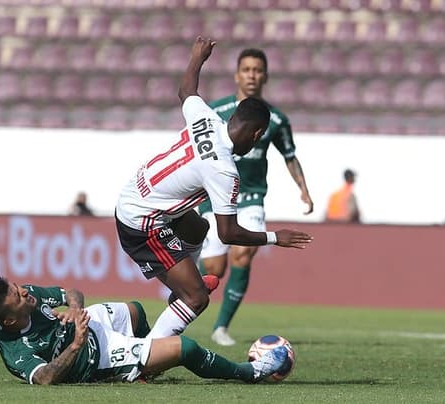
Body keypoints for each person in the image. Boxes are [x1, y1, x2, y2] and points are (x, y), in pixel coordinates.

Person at [114, 37, 314, 340]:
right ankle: (144, 357)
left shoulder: (206, 117)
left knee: (197, 227)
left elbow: (186, 90)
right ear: (258, 134)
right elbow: (229, 234)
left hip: (135, 194)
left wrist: (197, 57)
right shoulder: (224, 170)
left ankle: (186, 284)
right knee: (197, 299)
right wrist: (276, 237)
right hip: (142, 221)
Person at [197, 48, 315, 346]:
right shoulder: (217, 111)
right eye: (247, 69)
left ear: (265, 76)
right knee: (215, 268)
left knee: (243, 253)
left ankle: (221, 327)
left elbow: (290, 155)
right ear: (237, 75)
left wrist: (302, 188)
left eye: (257, 70)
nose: (252, 75)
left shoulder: (275, 119)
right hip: (215, 195)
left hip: (250, 196)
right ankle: (187, 296)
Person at [0, 277, 290, 385]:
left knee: (135, 310)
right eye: (18, 296)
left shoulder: (26, 295)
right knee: (186, 348)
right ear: (8, 320)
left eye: (18, 287)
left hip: (89, 322)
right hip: (96, 358)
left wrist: (74, 308)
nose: (25, 293)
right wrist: (76, 344)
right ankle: (249, 372)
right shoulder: (16, 349)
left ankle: (147, 364)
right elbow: (45, 379)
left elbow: (71, 290)